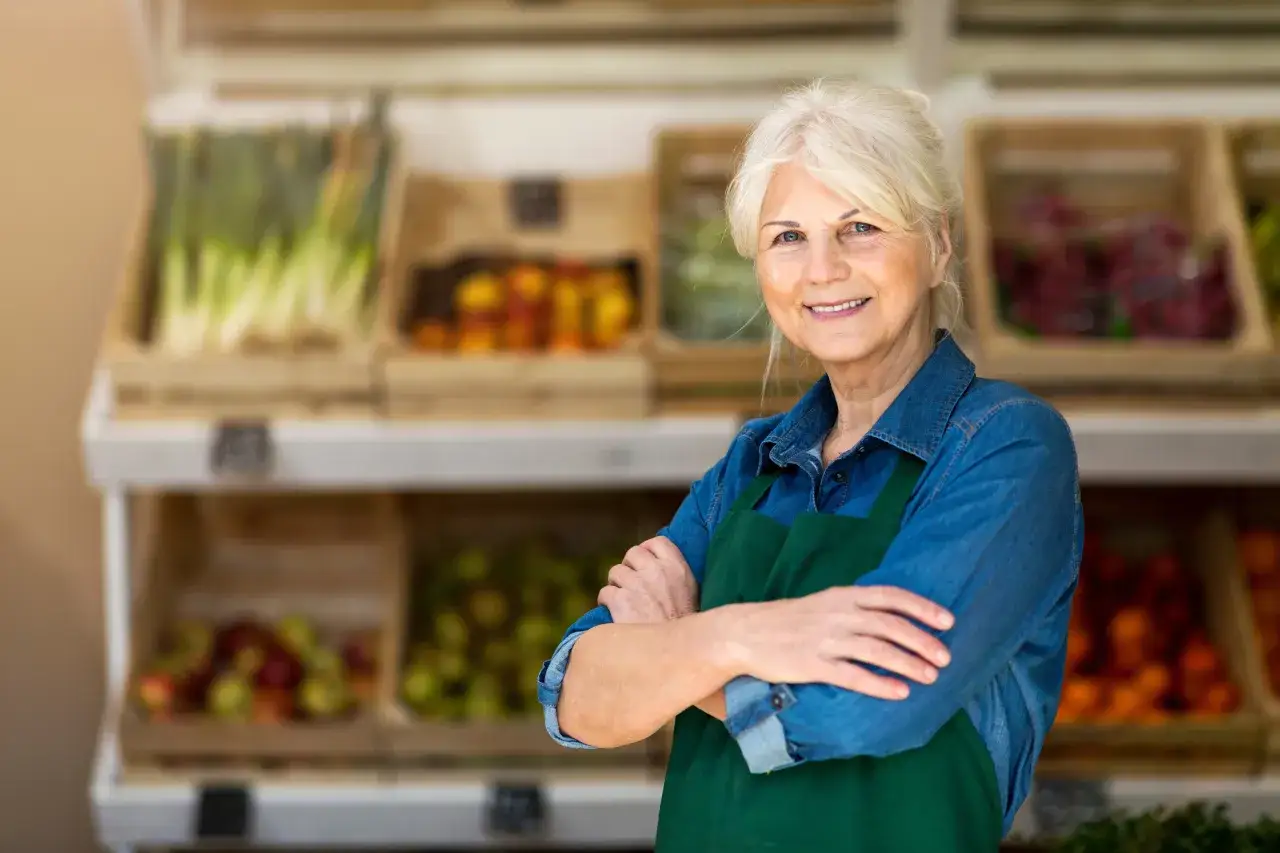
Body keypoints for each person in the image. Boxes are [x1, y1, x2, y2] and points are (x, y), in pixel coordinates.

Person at [535, 79, 1082, 853]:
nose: (821, 267)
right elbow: (576, 696)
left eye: (859, 227)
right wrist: (738, 635)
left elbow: (866, 706)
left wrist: (674, 648)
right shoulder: (749, 464)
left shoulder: (1006, 449)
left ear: (939, 245)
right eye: (787, 236)